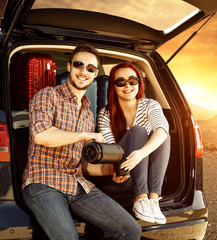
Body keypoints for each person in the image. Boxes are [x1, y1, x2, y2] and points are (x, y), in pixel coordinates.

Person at [21, 45, 142, 240]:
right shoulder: (47, 95)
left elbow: (84, 165)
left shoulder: (87, 113)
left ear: (95, 75)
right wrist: (85, 135)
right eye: (79, 65)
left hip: (78, 185)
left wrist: (110, 172)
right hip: (43, 183)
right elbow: (41, 135)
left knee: (130, 230)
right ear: (69, 67)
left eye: (91, 69)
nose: (84, 72)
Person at [97, 62, 171, 224]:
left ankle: (153, 199)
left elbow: (162, 127)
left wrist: (140, 153)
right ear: (113, 87)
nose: (127, 86)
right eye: (120, 82)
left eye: (132, 81)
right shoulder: (105, 114)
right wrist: (120, 167)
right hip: (122, 173)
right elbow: (111, 152)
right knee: (138, 131)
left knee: (162, 135)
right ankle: (140, 198)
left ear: (139, 83)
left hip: (148, 173)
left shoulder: (150, 105)